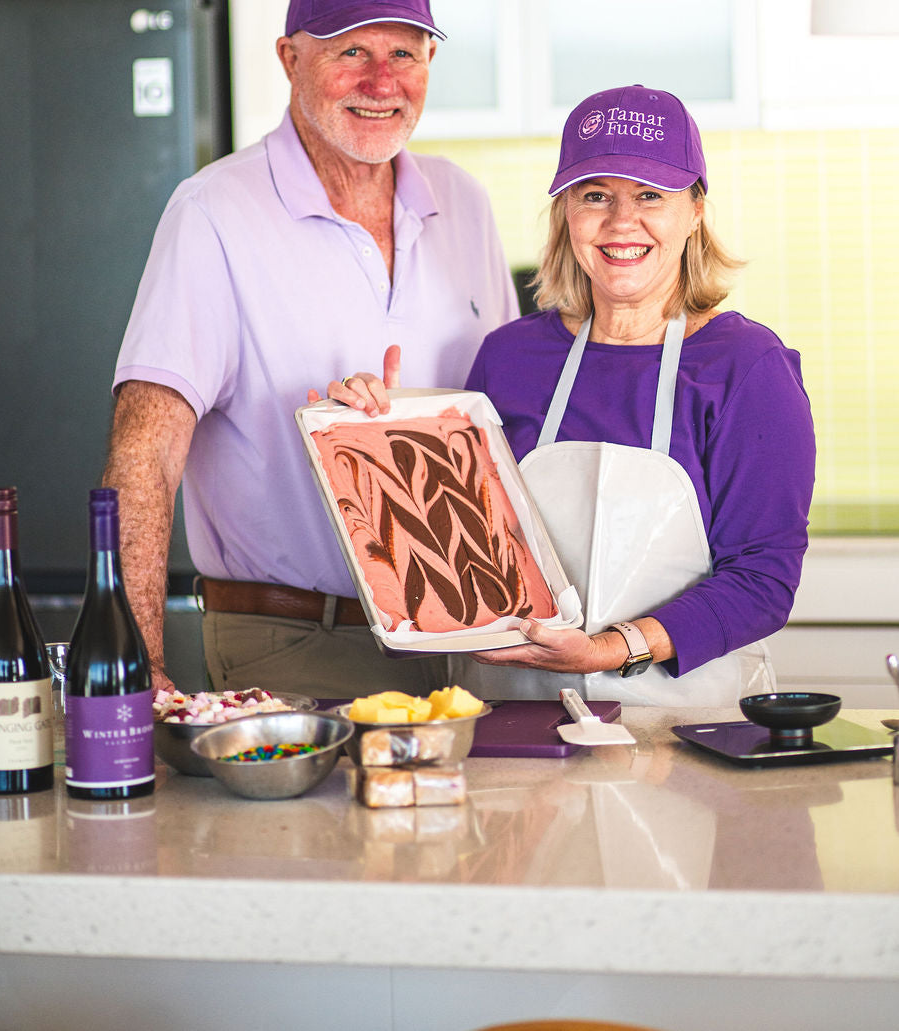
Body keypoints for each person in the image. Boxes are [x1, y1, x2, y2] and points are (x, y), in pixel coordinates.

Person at [103, 0, 518, 700]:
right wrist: (140, 669)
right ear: (289, 58)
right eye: (350, 50)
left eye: (404, 51)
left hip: (472, 646)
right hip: (296, 642)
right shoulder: (214, 212)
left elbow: (505, 433)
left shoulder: (465, 204)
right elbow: (145, 452)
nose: (381, 80)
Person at [334, 83, 816, 706]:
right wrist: (383, 441)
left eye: (650, 195)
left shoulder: (748, 367)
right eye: (596, 196)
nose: (621, 222)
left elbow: (763, 580)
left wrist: (609, 650)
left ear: (695, 209)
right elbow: (460, 553)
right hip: (512, 719)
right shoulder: (509, 358)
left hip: (685, 735)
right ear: (566, 211)